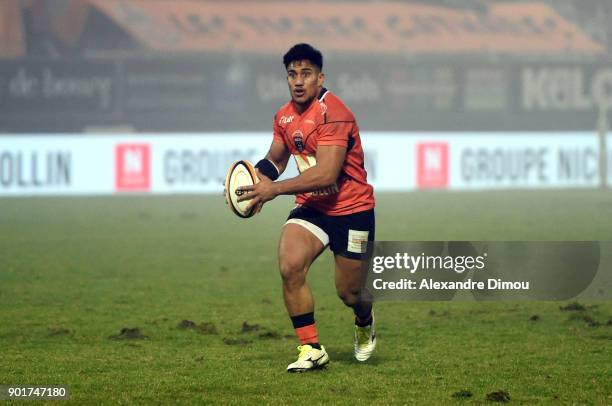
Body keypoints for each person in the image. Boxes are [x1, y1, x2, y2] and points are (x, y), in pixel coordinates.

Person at [237, 43, 376, 372]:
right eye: (292, 74)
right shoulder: (284, 115)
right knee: (290, 266)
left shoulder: (334, 113)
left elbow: (326, 173)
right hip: (312, 207)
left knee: (350, 293)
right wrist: (256, 184)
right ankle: (311, 348)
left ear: (320, 77)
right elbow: (275, 159)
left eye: (306, 74)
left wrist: (274, 190)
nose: (298, 81)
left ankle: (364, 319)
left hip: (351, 209)